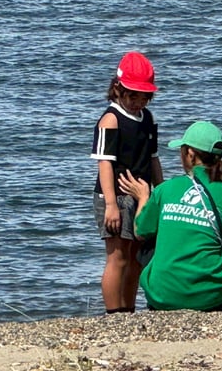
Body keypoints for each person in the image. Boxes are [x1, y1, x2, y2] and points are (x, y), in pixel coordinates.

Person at [118, 121, 222, 311]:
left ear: (190, 153)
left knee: (150, 240)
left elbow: (139, 231)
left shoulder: (166, 189)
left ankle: (165, 284)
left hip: (161, 295)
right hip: (212, 295)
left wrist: (143, 198)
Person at [91, 52, 164, 314]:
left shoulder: (148, 118)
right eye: (133, 96)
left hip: (142, 194)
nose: (138, 102)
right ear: (118, 89)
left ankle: (129, 309)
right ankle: (114, 313)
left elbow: (153, 158)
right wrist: (111, 204)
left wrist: (161, 191)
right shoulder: (110, 119)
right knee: (118, 257)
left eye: (144, 97)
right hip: (116, 196)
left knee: (136, 258)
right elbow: (104, 164)